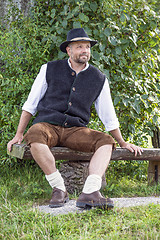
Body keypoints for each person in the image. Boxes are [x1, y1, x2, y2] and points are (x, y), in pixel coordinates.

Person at [7, 28, 143, 209]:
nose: (85, 50)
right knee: (34, 134)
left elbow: (108, 114)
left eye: (87, 47)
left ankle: (91, 191)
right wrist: (19, 134)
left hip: (76, 130)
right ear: (68, 50)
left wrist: (123, 142)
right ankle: (59, 188)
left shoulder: (98, 78)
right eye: (79, 47)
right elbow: (30, 104)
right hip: (48, 125)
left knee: (106, 141)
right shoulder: (49, 69)